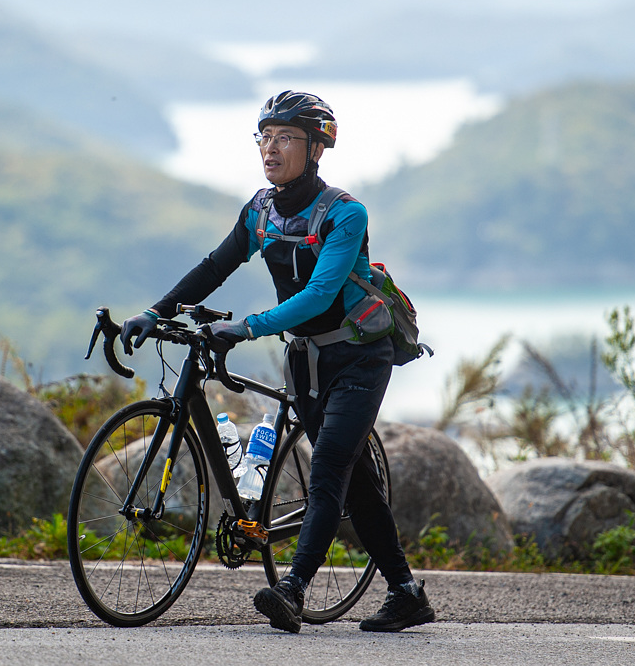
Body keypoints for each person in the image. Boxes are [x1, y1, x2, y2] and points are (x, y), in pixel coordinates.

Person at [120, 90, 434, 635]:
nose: (270, 148)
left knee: (329, 466)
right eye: (264, 137)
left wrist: (246, 327)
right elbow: (215, 266)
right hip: (306, 360)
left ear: (316, 149)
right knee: (356, 483)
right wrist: (155, 311)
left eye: (285, 138)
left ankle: (293, 587)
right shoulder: (260, 210)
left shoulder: (345, 214)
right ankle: (407, 594)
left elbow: (319, 294)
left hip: (360, 357)